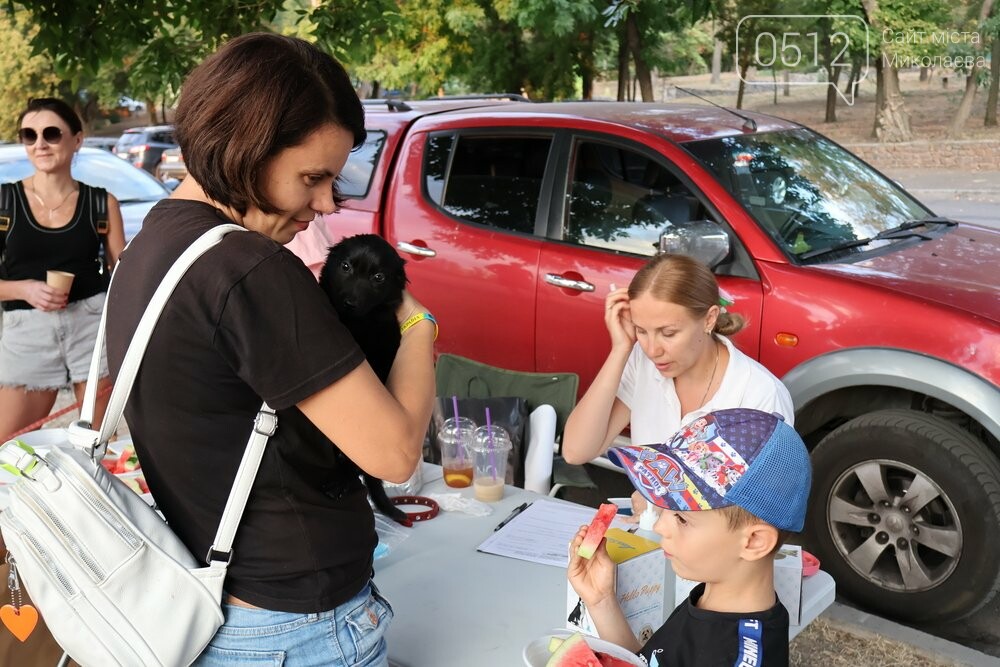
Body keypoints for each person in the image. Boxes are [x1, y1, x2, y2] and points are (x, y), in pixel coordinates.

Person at [104, 33, 436, 666]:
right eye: (312, 178)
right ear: (243, 150)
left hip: (219, 601)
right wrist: (420, 326)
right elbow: (394, 454)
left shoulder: (156, 243)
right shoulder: (250, 269)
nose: (325, 204)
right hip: (297, 625)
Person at [567, 408, 811, 666]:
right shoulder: (714, 597)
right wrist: (601, 600)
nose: (660, 527)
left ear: (754, 542)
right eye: (665, 511)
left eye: (682, 518)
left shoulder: (735, 656)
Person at [561, 253, 794, 518]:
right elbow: (576, 450)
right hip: (651, 538)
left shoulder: (759, 394)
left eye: (668, 333)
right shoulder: (641, 360)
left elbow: (761, 514)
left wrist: (661, 507)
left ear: (709, 319)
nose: (652, 349)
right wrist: (620, 349)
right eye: (641, 330)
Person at [0, 97, 125, 438]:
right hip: (26, 330)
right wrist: (24, 288)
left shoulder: (101, 202)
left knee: (95, 443)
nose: (39, 143)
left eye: (52, 133)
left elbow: (124, 274)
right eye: (29, 135)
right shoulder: (5, 201)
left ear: (77, 140)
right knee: (7, 443)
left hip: (90, 325)